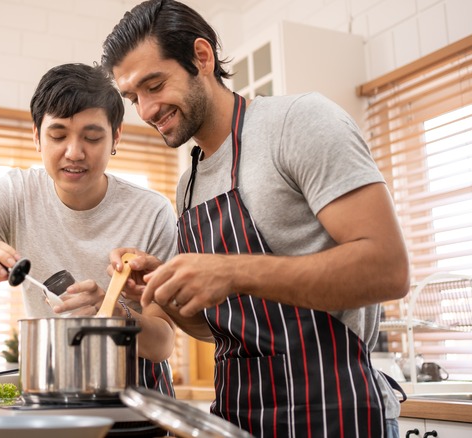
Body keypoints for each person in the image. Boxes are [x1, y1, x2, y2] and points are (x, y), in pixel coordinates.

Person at [101, 1, 410, 436]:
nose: (147, 111)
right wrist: (162, 288)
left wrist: (233, 271)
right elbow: (220, 332)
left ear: (202, 58)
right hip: (236, 421)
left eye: (155, 85)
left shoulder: (298, 122)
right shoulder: (188, 183)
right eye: (134, 97)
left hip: (334, 415)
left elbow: (389, 269)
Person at [0, 63, 177, 396]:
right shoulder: (16, 194)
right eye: (58, 135)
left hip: (138, 395)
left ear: (116, 136)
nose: (74, 152)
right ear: (36, 137)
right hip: (52, 388)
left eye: (92, 137)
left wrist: (115, 313)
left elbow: (162, 343)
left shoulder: (152, 211)